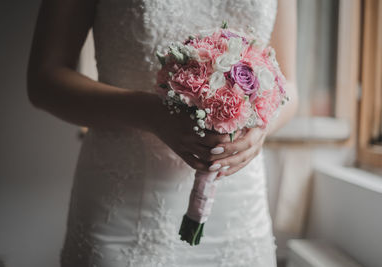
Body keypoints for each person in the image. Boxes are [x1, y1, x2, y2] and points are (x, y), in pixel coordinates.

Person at [27, 0, 298, 266]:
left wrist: (259, 130)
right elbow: (45, 79)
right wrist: (150, 113)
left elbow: (290, 86)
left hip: (238, 209)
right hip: (124, 210)